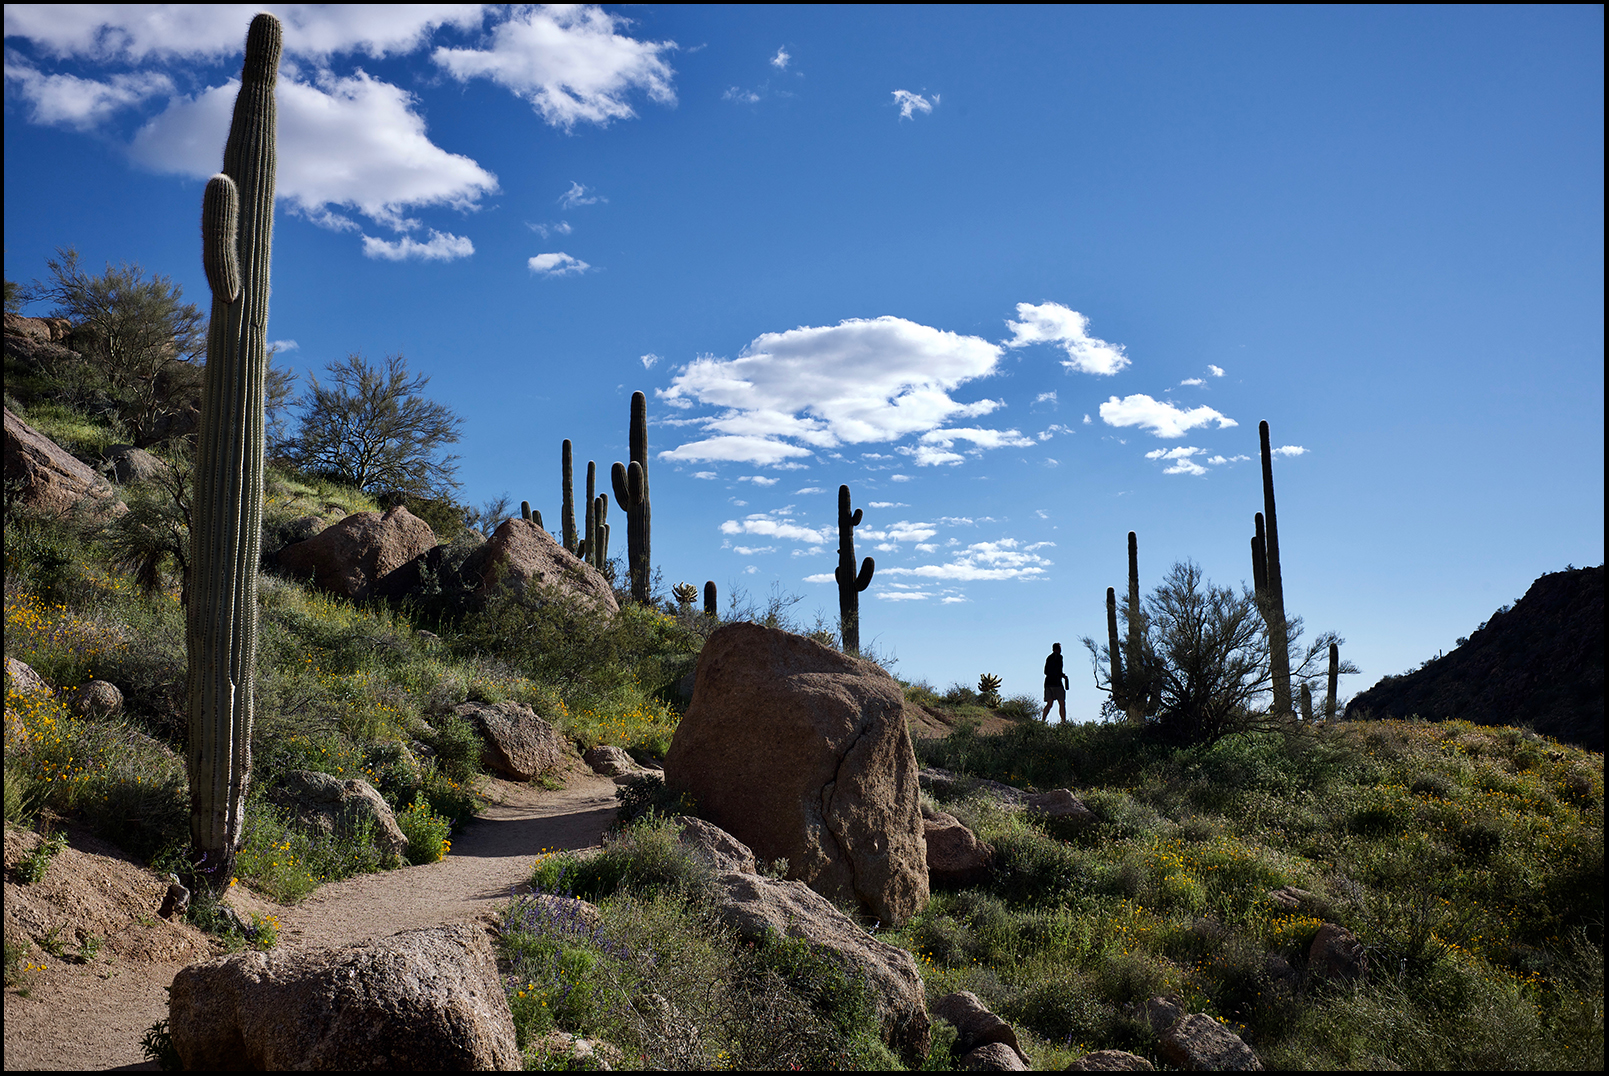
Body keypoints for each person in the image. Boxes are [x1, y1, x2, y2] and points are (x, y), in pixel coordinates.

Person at [1041, 642, 1069, 723]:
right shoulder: (1059, 657)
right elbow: (1058, 670)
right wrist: (1062, 676)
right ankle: (1063, 722)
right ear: (1058, 649)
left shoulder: (1049, 657)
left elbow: (1045, 671)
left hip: (1048, 683)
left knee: (1049, 704)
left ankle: (1043, 721)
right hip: (1056, 683)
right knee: (1061, 703)